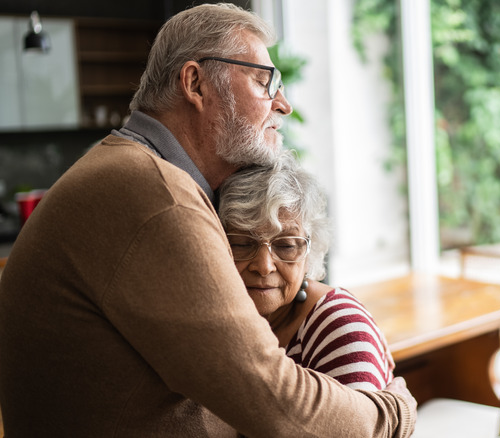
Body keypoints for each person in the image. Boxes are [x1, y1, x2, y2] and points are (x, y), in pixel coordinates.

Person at [0, 3, 415, 437]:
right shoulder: (156, 195)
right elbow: (274, 399)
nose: (284, 104)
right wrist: (392, 413)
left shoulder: (132, 174)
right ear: (195, 83)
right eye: (263, 81)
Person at [219, 151, 394, 392]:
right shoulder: (218, 318)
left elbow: (366, 428)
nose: (264, 266)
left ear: (310, 251)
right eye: (241, 243)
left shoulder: (340, 326)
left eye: (286, 245)